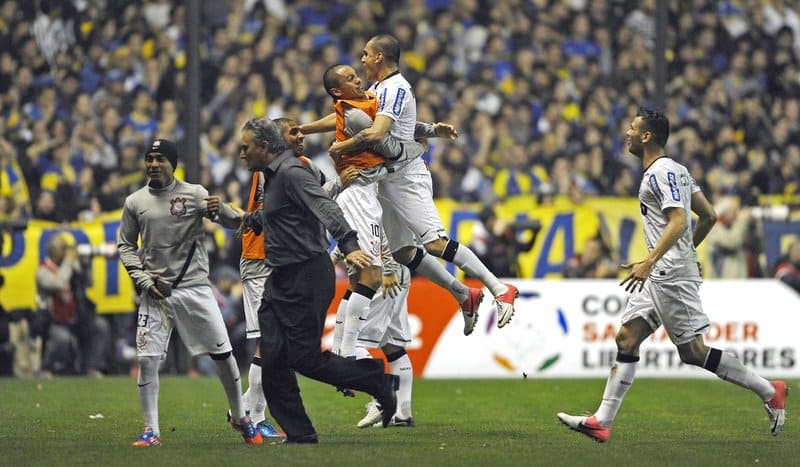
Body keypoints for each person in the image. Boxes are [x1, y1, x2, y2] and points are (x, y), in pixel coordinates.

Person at [557, 109, 788, 442]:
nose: (627, 133)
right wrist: (683, 253)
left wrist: (653, 260)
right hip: (665, 269)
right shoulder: (677, 170)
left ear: (646, 136)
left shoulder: (659, 173)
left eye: (633, 128)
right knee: (627, 338)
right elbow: (708, 216)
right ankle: (602, 421)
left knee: (693, 352)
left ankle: (769, 390)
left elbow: (679, 221)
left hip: (667, 273)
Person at [303, 49, 519, 337]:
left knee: (435, 244)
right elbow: (350, 120)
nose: (361, 63)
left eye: (365, 55)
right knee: (403, 252)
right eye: (351, 75)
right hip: (390, 179)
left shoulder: (394, 88)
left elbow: (387, 141)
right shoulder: (374, 91)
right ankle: (463, 294)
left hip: (406, 175)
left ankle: (500, 289)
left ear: (379, 57)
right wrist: (303, 129)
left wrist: (419, 142)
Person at [238, 117, 398, 444]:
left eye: (246, 147)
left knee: (304, 359)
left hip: (306, 274)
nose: (241, 154)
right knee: (272, 356)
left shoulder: (294, 172)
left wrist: (350, 245)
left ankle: (377, 381)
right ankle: (300, 433)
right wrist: (239, 218)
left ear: (265, 147)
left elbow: (325, 206)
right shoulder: (274, 175)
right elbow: (273, 213)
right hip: (281, 276)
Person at [117, 138, 261, 446]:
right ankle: (151, 431)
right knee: (148, 360)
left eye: (160, 159)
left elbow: (234, 223)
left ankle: (240, 416)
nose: (153, 164)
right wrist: (143, 279)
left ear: (173, 163)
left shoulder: (194, 193)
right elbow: (126, 246)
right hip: (155, 291)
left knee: (223, 355)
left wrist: (220, 209)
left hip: (195, 288)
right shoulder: (135, 202)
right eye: (150, 158)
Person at [36, 233, 110, 377]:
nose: (66, 252)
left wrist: (85, 265)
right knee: (62, 338)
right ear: (54, 251)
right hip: (54, 320)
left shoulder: (69, 266)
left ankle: (90, 368)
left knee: (100, 326)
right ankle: (47, 369)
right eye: (63, 248)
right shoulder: (43, 270)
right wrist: (69, 261)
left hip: (76, 316)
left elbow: (89, 283)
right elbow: (59, 282)